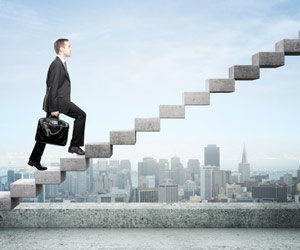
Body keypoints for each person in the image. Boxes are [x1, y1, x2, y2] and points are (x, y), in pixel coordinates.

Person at [28, 38, 86, 171]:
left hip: (58, 101)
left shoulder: (61, 64)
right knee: (81, 115)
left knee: (45, 131)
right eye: (69, 46)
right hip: (58, 102)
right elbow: (52, 87)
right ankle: (74, 146)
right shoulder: (56, 64)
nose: (71, 49)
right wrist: (54, 108)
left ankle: (34, 160)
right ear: (61, 49)